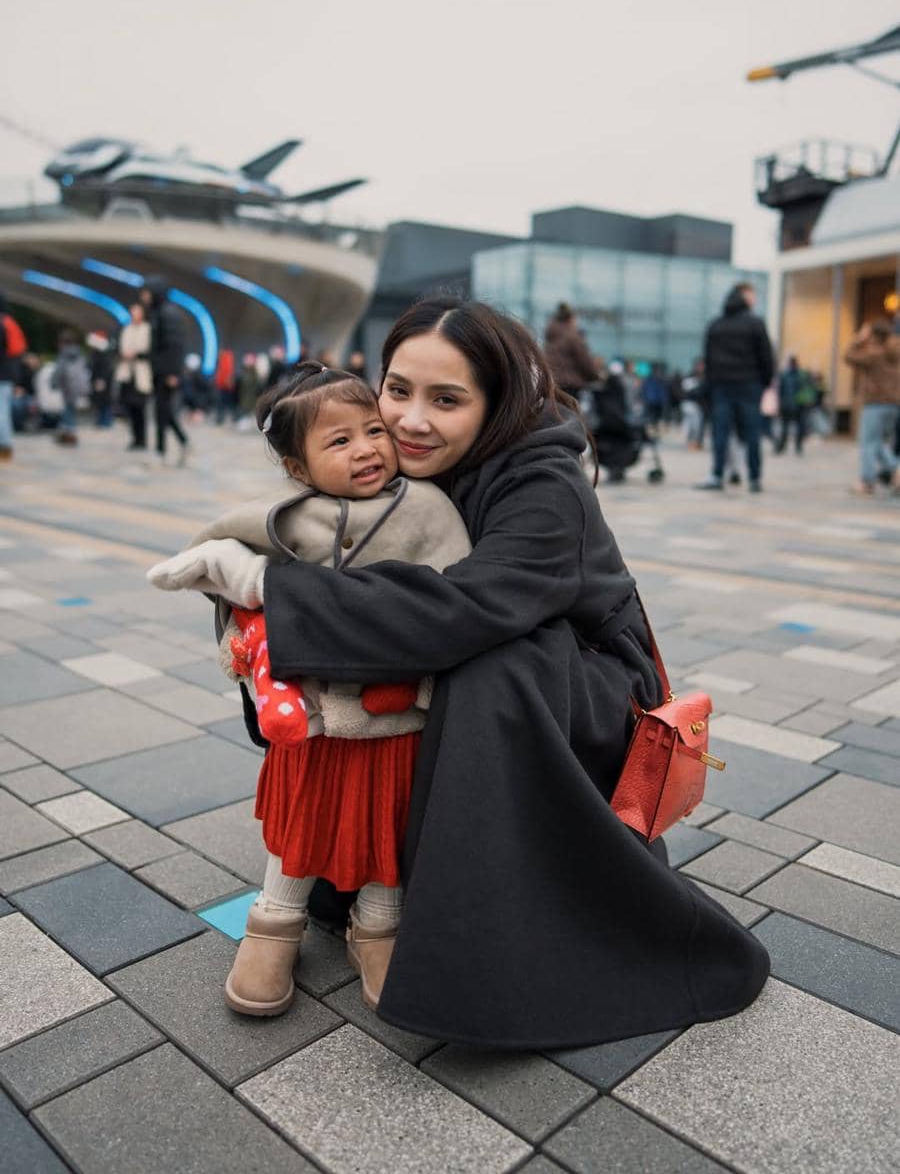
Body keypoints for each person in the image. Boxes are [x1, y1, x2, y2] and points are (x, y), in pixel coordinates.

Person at [150, 297, 769, 1050]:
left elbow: (465, 608)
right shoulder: (383, 470)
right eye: (398, 389)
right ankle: (361, 861)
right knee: (351, 640)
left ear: (496, 404)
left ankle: (489, 933)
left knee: (485, 660)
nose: (410, 420)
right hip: (492, 666)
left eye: (447, 400)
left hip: (589, 693)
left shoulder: (543, 482)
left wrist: (274, 595)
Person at [148, 362, 470, 1016]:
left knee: (391, 824)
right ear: (298, 470)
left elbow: (455, 602)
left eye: (373, 431)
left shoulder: (429, 509)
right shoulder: (291, 519)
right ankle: (274, 921)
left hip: (395, 718)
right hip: (316, 723)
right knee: (302, 821)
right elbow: (226, 562)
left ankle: (378, 925)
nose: (366, 450)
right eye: (339, 441)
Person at [696, 283, 774, 493]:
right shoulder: (755, 323)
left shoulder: (716, 325)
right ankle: (755, 477)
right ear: (744, 299)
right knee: (752, 433)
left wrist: (710, 386)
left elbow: (708, 360)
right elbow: (766, 356)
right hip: (749, 385)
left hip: (721, 386)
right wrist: (765, 382)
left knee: (720, 432)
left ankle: (717, 474)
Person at [843, 319, 900, 495]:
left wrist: (859, 338)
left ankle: (867, 482)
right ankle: (895, 469)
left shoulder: (874, 353)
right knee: (879, 443)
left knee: (867, 443)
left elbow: (848, 356)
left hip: (875, 404)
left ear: (874, 335)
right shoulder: (895, 353)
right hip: (893, 406)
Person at [139, 279, 189, 465]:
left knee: (162, 410)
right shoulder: (159, 313)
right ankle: (180, 444)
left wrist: (172, 373)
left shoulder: (167, 314)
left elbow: (174, 346)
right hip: (160, 370)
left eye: (146, 292)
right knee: (163, 411)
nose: (143, 297)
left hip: (166, 372)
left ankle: (162, 451)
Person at [115, 302, 153, 451]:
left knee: (140, 408)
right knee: (129, 408)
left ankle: (142, 439)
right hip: (127, 373)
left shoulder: (147, 330)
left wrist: (136, 354)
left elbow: (150, 351)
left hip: (141, 374)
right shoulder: (126, 330)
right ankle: (135, 438)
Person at [543, 302, 595, 395]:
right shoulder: (573, 336)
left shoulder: (551, 335)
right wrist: (595, 376)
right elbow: (584, 362)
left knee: (556, 408)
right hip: (570, 384)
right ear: (570, 319)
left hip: (552, 381)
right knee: (569, 408)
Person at [0, 292, 27, 461]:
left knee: (1, 412)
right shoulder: (9, 323)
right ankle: (6, 445)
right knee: (4, 411)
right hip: (8, 375)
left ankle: (5, 446)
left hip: (1, 375)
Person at [52, 329, 90, 446]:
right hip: (77, 386)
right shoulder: (79, 353)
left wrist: (54, 383)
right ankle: (71, 432)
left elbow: (59, 371)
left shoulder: (63, 354)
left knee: (67, 410)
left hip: (66, 386)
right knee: (71, 409)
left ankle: (68, 433)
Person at [774, 356, 814, 456]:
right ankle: (786, 447)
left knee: (792, 428)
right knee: (787, 428)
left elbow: (807, 390)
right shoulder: (791, 375)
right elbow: (780, 391)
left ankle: (794, 447)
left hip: (795, 406)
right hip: (792, 406)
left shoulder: (794, 375)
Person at [86, 331, 114, 428]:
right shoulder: (98, 352)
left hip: (102, 381)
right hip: (99, 380)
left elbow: (106, 368)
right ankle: (102, 420)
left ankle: (105, 421)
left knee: (104, 402)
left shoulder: (103, 353)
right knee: (100, 402)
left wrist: (101, 379)